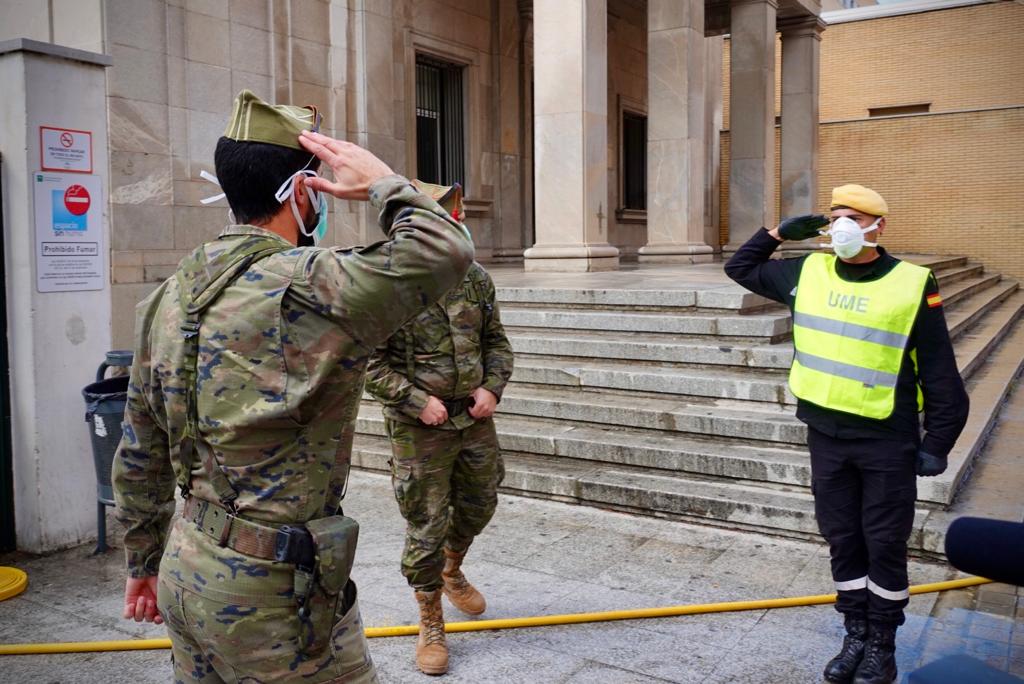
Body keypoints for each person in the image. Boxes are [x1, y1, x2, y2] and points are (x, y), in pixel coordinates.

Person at [112, 89, 474, 683]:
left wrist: (143, 560)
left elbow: (140, 448)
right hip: (275, 597)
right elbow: (446, 249)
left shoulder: (167, 296)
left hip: (187, 568)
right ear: (305, 192)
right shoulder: (310, 286)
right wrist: (382, 182)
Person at [725, 184, 969, 684]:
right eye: (836, 216)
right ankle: (854, 631)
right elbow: (740, 269)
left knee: (883, 542)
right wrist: (774, 234)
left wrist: (938, 441)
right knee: (842, 538)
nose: (842, 226)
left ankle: (882, 642)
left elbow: (940, 368)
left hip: (886, 437)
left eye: (854, 217)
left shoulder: (911, 282)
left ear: (879, 225)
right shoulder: (805, 271)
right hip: (826, 434)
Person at [364, 180, 513, 676]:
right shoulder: (389, 284)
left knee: (481, 501)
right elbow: (366, 361)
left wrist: (492, 386)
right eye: (449, 217)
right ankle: (430, 618)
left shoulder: (475, 278)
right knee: (425, 523)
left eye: (458, 216)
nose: (458, 225)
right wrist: (414, 399)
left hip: (473, 417)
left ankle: (452, 569)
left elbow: (496, 341)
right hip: (419, 426)